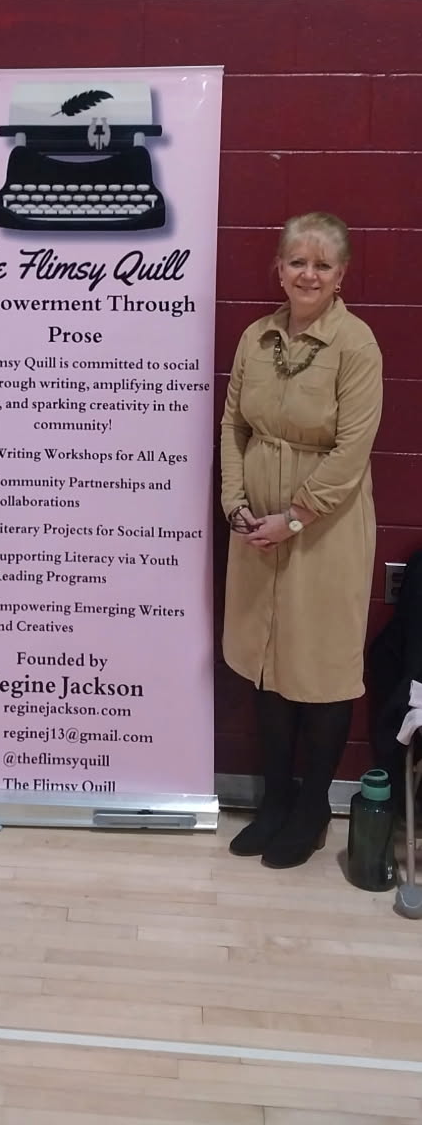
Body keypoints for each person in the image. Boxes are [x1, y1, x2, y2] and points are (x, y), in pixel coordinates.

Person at [221, 212, 383, 869]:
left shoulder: (356, 345)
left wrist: (293, 516)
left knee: (319, 666)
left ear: (341, 275)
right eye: (296, 262)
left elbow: (352, 450)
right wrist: (235, 503)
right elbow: (233, 425)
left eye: (321, 265)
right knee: (264, 658)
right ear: (279, 269)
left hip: (325, 530)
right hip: (256, 526)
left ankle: (312, 806)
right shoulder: (255, 337)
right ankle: (275, 800)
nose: (307, 275)